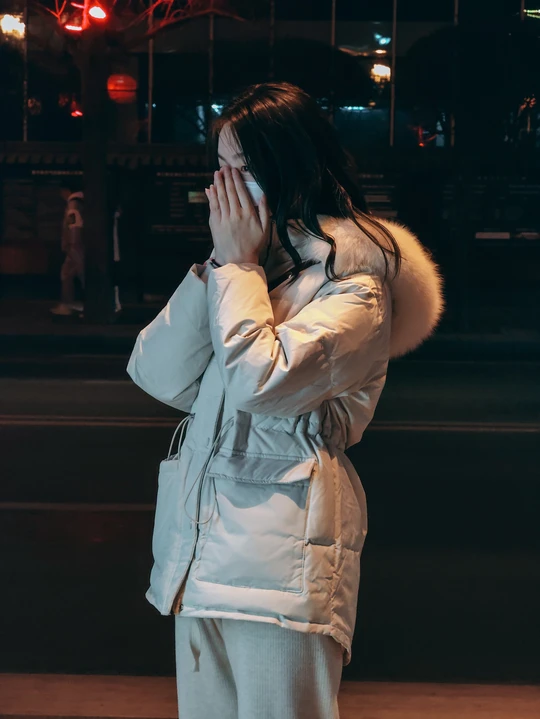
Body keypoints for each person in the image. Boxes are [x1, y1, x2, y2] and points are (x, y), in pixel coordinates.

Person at [127, 82, 444, 719]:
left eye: (244, 168)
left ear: (292, 165)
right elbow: (155, 373)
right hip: (201, 558)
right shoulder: (251, 270)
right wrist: (223, 265)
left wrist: (238, 269)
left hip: (282, 570)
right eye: (220, 167)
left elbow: (259, 382)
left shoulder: (354, 286)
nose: (226, 188)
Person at [50, 183, 85, 316]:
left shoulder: (73, 204)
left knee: (80, 273)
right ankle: (67, 304)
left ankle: (71, 305)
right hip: (77, 245)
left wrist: (72, 243)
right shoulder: (82, 202)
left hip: (75, 246)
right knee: (68, 274)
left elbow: (74, 225)